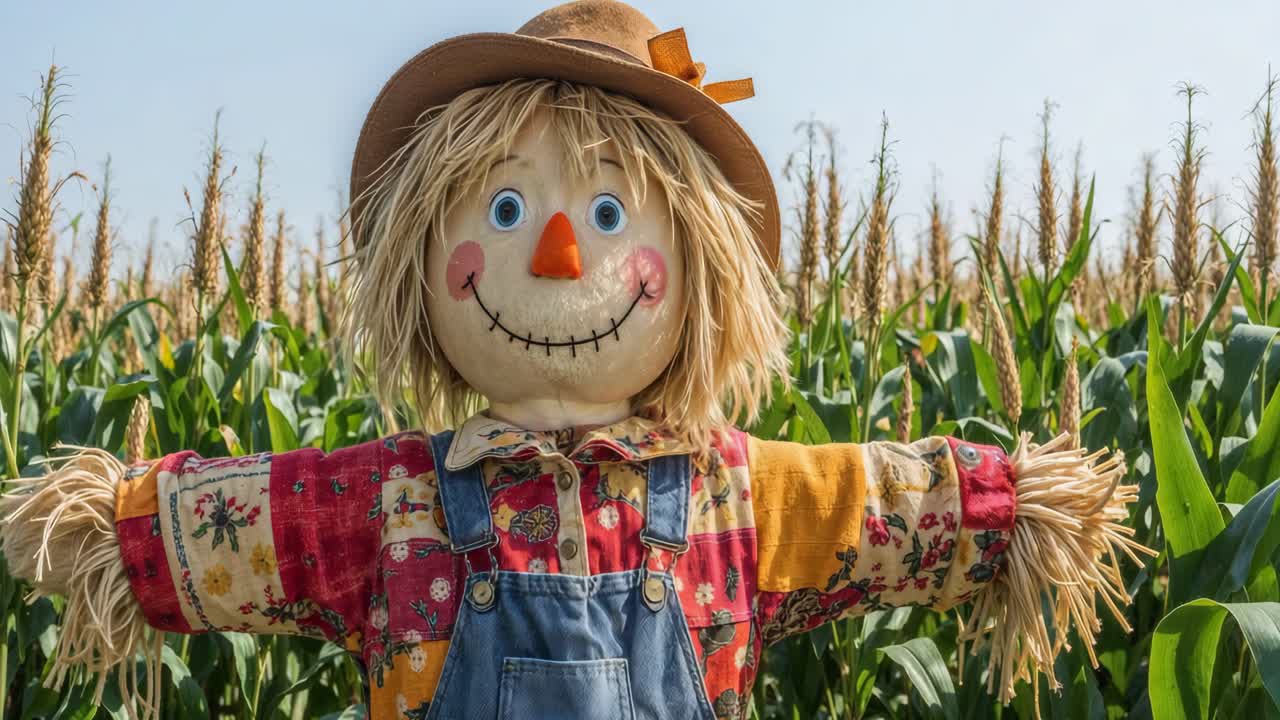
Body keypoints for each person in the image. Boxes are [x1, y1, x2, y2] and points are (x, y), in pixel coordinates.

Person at [0, 2, 1149, 719]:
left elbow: (875, 504)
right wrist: (109, 531)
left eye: (609, 215)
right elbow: (256, 524)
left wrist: (1011, 513)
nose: (556, 252)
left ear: (700, 273)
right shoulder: (391, 504)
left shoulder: (736, 494)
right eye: (501, 208)